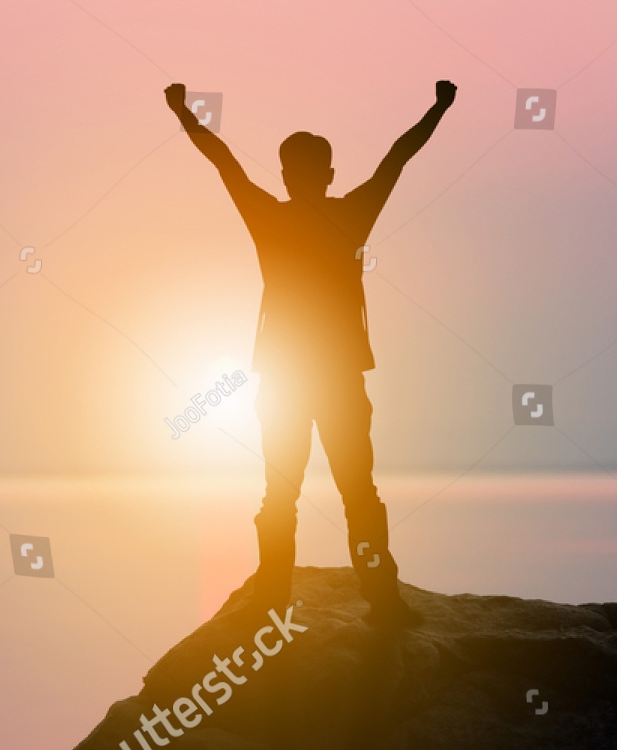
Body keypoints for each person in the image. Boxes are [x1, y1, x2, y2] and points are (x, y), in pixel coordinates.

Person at [164, 80, 456, 627]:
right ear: (329, 174)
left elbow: (223, 161)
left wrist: (184, 113)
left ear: (284, 176)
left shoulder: (267, 215)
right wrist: (438, 108)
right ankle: (382, 600)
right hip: (335, 377)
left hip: (285, 378)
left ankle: (272, 600)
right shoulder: (353, 213)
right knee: (359, 494)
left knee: (280, 494)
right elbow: (398, 157)